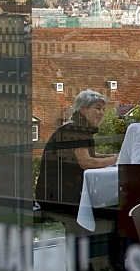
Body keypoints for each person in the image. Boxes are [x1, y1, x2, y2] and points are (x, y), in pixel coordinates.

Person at [35, 89, 118, 234]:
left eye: (103, 109)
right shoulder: (77, 129)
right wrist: (115, 159)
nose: (101, 113)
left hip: (53, 193)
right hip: (61, 196)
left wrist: (112, 156)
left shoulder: (75, 126)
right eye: (97, 108)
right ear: (83, 109)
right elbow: (85, 162)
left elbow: (87, 154)